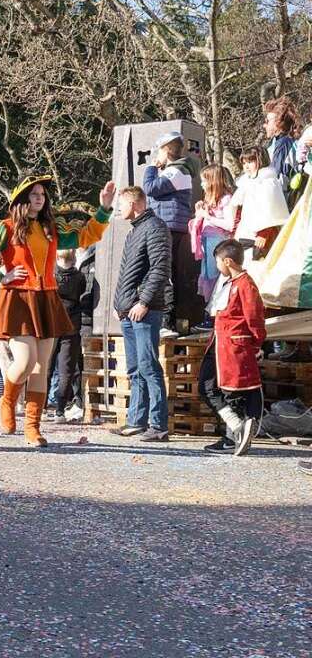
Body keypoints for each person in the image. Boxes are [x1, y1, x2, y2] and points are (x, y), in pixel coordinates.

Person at [0, 177, 115, 447]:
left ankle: (33, 427)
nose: (40, 198)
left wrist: (104, 208)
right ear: (21, 200)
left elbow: (87, 235)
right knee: (24, 361)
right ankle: (8, 399)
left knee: (40, 367)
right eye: (34, 194)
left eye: (42, 194)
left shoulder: (51, 228)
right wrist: (1, 276)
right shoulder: (5, 228)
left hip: (47, 298)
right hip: (18, 299)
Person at [112, 186, 172, 442]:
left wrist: (144, 301)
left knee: (149, 367)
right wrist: (121, 306)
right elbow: (129, 271)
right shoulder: (135, 230)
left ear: (135, 204)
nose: (118, 210)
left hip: (145, 310)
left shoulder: (155, 228)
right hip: (129, 310)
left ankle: (158, 425)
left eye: (121, 205)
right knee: (136, 368)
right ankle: (136, 420)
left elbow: (160, 268)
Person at [198, 239, 266, 456]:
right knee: (206, 385)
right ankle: (237, 426)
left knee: (233, 392)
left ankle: (230, 437)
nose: (217, 266)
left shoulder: (246, 284)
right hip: (218, 345)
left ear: (227, 261)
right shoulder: (229, 283)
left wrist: (256, 344)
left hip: (235, 347)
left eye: (218, 262)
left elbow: (255, 317)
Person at [142, 131, 201, 334]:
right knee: (168, 273)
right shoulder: (174, 171)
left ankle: (167, 321)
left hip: (170, 226)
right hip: (169, 225)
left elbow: (150, 188)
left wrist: (151, 166)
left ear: (166, 151)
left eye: (159, 151)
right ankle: (172, 320)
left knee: (164, 274)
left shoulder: (177, 171)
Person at [229, 146, 290, 262]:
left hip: (261, 235)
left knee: (259, 265)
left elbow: (273, 211)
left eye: (250, 162)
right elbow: (237, 206)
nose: (246, 166)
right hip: (245, 231)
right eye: (244, 163)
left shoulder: (268, 182)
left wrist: (264, 233)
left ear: (260, 161)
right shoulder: (246, 183)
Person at [190, 165, 236, 313]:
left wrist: (208, 216)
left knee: (215, 277)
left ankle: (214, 312)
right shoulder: (212, 200)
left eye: (204, 180)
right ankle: (209, 311)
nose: (202, 184)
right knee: (208, 276)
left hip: (218, 243)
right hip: (208, 242)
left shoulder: (227, 199)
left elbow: (229, 225)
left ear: (213, 182)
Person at [50, 250, 86, 423]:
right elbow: (82, 293)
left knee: (46, 368)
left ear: (57, 257)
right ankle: (59, 410)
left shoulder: (50, 274)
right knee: (66, 369)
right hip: (71, 324)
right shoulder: (79, 277)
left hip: (51, 323)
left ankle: (40, 407)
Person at [263, 96, 300, 200]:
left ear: (278, 123)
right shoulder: (275, 142)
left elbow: (277, 178)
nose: (264, 125)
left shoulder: (283, 144)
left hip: (283, 203)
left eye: (268, 121)